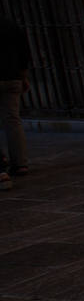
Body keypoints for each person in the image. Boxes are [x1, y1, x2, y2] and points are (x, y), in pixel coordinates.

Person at [0, 15, 31, 191]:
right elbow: (24, 52)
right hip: (12, 77)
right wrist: (23, 76)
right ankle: (20, 163)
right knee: (13, 119)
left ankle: (1, 167)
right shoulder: (11, 24)